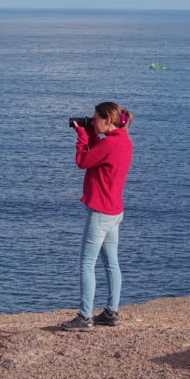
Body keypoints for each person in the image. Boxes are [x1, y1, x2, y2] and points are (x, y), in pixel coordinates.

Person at [61, 102, 134, 331]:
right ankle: (111, 312)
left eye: (95, 119)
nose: (92, 122)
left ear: (107, 120)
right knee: (111, 264)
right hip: (114, 211)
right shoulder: (122, 141)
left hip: (100, 213)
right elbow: (97, 156)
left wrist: (82, 136)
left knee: (87, 265)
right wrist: (89, 133)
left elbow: (83, 160)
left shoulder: (111, 144)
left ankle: (84, 317)